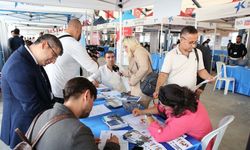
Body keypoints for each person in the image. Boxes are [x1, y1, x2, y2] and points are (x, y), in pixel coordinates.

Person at [1, 34, 63, 149]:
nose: (54, 61)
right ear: (44, 45)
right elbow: (32, 106)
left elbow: (45, 93)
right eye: (54, 55)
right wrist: (62, 114)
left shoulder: (31, 59)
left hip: (33, 123)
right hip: (23, 128)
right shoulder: (18, 65)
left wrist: (64, 102)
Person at [30, 77, 120, 150]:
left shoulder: (41, 115)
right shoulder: (79, 131)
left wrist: (85, 142)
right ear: (87, 95)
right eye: (93, 100)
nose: (92, 105)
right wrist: (112, 146)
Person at [132, 84, 212, 147]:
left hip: (197, 144)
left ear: (174, 106)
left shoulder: (184, 117)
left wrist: (149, 117)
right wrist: (142, 112)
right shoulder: (185, 100)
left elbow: (161, 136)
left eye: (164, 105)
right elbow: (160, 108)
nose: (162, 106)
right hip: (196, 134)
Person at [45, 19, 98, 103]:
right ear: (78, 29)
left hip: (52, 91)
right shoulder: (73, 43)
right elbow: (93, 68)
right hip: (64, 94)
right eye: (81, 31)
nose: (80, 35)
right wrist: (94, 59)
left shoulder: (56, 39)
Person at [153, 26, 214, 98]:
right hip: (174, 95)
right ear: (181, 39)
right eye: (191, 42)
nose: (194, 46)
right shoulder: (171, 55)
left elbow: (201, 70)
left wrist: (208, 77)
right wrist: (157, 89)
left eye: (195, 42)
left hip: (191, 93)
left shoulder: (198, 52)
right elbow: (163, 74)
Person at [121, 36, 152, 108]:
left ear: (130, 44)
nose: (125, 49)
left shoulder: (139, 51)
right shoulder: (135, 52)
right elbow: (135, 69)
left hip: (142, 87)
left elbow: (144, 68)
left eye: (125, 46)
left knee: (139, 109)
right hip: (139, 86)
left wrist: (132, 80)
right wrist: (125, 73)